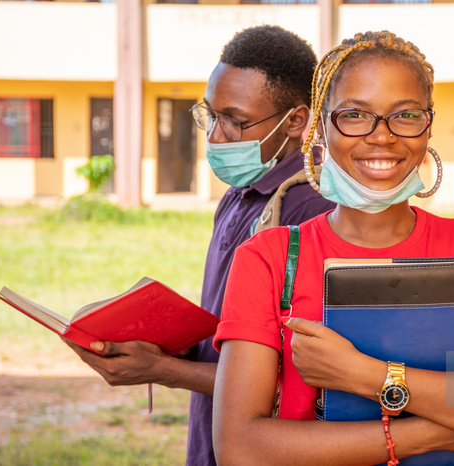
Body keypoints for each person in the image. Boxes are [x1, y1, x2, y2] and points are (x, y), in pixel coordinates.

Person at [212, 31, 454, 465]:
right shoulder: (267, 259)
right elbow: (239, 448)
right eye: (355, 115)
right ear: (322, 125)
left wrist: (367, 375)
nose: (382, 136)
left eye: (405, 115)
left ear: (427, 126)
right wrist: (443, 427)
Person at [65, 25, 335, 466]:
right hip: (213, 439)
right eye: (209, 115)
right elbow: (234, 334)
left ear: (296, 121)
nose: (214, 136)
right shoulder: (238, 195)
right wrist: (157, 339)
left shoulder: (311, 212)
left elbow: (293, 376)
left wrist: (162, 372)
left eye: (234, 120)